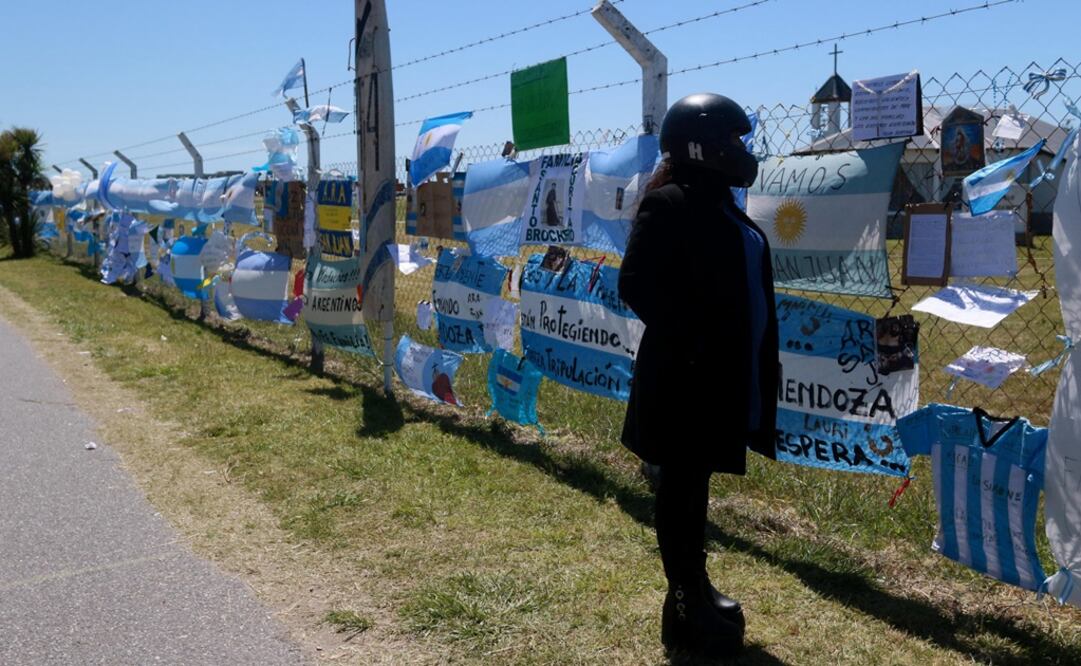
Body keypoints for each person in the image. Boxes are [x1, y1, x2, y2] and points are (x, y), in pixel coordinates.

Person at [618, 93, 779, 659]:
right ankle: (686, 601)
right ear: (701, 144)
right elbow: (636, 284)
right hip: (684, 381)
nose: (741, 150)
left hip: (719, 380)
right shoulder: (671, 201)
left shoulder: (721, 203)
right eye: (732, 139)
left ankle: (693, 589)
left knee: (694, 486)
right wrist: (696, 344)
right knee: (681, 488)